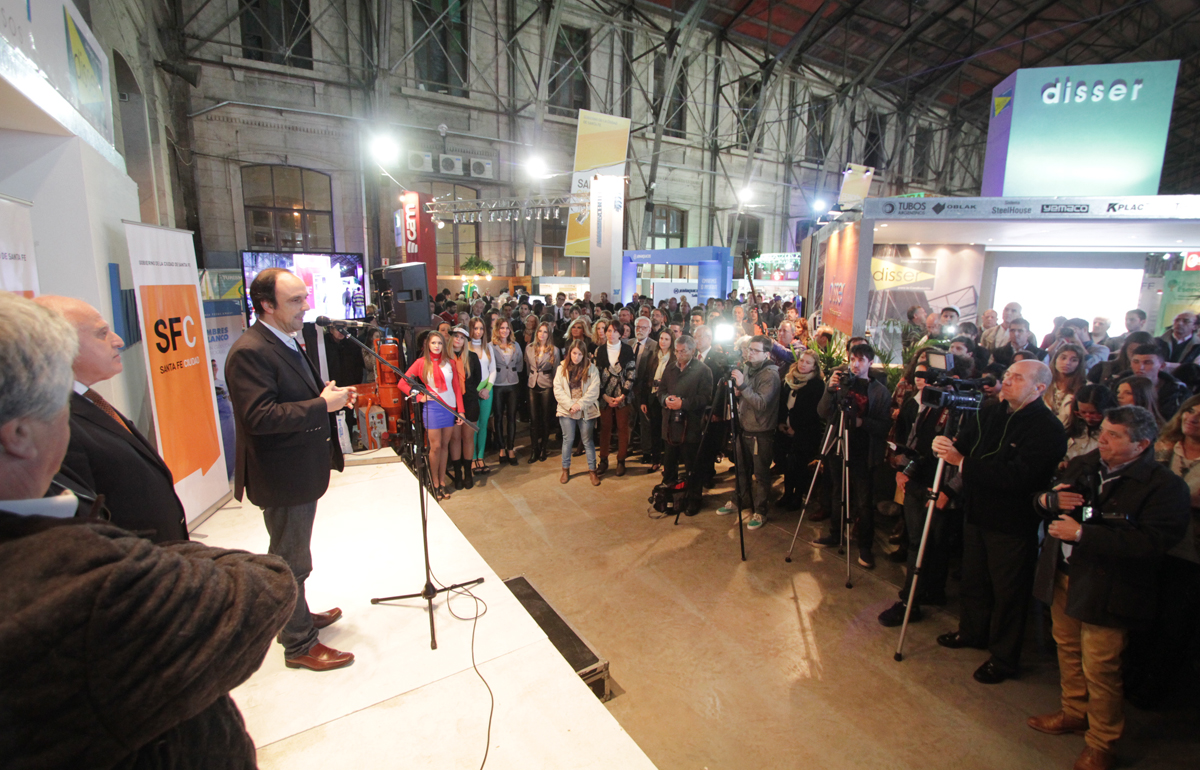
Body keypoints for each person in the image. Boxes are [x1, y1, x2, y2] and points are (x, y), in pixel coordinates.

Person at [0, 291, 299, 767]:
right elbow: (260, 589)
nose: (118, 339)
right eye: (100, 333)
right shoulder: (86, 578)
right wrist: (161, 554)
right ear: (18, 435)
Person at [1029, 406, 1189, 770]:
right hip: (1066, 570)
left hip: (1110, 585)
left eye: (1114, 435)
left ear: (1141, 444)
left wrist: (1085, 534)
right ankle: (1073, 710)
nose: (1102, 439)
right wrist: (1048, 501)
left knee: (1101, 665)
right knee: (1066, 648)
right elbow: (1048, 500)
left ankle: (1102, 742)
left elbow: (1151, 543)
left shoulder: (1163, 487)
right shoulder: (1087, 464)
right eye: (1103, 431)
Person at [224, 267, 355, 671]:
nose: (306, 306)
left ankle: (298, 616)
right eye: (296, 300)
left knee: (294, 553)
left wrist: (322, 396)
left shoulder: (283, 339)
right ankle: (298, 643)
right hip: (281, 474)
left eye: (305, 297)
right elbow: (259, 416)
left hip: (298, 467)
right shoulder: (250, 350)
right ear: (266, 305)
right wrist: (322, 405)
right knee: (288, 559)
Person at [931, 360, 1067, 684]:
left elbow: (1021, 477)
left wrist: (963, 463)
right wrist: (946, 445)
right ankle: (972, 631)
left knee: (1008, 591)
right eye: (1007, 375)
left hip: (1012, 520)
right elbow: (965, 443)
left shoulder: (1047, 429)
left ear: (1039, 388)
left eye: (1016, 378)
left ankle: (1004, 657)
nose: (1006, 381)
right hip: (977, 511)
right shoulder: (993, 411)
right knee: (974, 578)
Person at [34, 296, 188, 543]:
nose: (118, 341)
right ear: (57, 347)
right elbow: (87, 528)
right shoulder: (54, 422)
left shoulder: (88, 399)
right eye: (102, 333)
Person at [1126, 395, 1200, 707]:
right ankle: (1131, 676)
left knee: (1174, 622)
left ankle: (1156, 686)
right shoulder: (1162, 448)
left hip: (1190, 552)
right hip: (1150, 545)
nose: (1193, 417)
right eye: (1190, 410)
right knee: (1142, 615)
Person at [878, 360, 955, 626]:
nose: (930, 386)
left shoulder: (962, 412)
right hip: (918, 483)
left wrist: (949, 490)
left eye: (937, 381)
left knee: (932, 545)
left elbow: (964, 455)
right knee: (917, 542)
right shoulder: (928, 406)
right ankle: (912, 595)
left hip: (941, 488)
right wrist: (907, 469)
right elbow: (918, 444)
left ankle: (921, 596)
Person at [812, 344, 892, 567]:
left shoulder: (879, 391)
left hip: (863, 452)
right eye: (852, 359)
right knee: (839, 492)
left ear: (870, 363)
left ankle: (865, 547)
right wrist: (830, 389)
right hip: (838, 446)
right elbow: (822, 412)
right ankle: (835, 533)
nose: (855, 364)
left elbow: (884, 426)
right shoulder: (841, 383)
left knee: (863, 500)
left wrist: (861, 422)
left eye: (861, 360)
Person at [399, 330, 465, 500]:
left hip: (450, 407)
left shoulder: (450, 362)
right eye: (434, 343)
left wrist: (461, 410)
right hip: (433, 408)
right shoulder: (421, 363)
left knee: (444, 446)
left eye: (440, 343)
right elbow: (402, 383)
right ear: (428, 344)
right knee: (434, 447)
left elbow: (456, 388)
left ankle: (442, 481)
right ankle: (434, 482)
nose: (437, 346)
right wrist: (420, 397)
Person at [658, 334, 714, 515]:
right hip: (670, 426)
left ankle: (693, 498)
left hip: (690, 426)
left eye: (683, 351)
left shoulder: (703, 370)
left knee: (692, 466)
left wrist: (684, 404)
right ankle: (670, 496)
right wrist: (666, 400)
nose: (679, 354)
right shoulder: (670, 368)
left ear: (693, 350)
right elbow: (661, 391)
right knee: (669, 464)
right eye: (677, 351)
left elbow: (706, 398)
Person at [730, 335, 781, 530]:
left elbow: (761, 403)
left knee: (760, 474)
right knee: (741, 468)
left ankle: (760, 511)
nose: (749, 353)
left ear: (767, 354)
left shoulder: (770, 375)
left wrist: (742, 386)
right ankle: (740, 500)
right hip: (744, 427)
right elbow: (747, 395)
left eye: (755, 350)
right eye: (749, 349)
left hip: (761, 431)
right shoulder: (748, 368)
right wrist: (739, 392)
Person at [777, 349, 825, 511]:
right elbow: (782, 404)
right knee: (787, 465)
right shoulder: (789, 380)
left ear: (814, 367)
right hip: (785, 431)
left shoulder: (817, 385)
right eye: (802, 361)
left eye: (808, 362)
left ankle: (797, 496)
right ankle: (787, 493)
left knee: (800, 466)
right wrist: (781, 423)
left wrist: (796, 429)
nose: (803, 365)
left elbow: (813, 412)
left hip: (804, 434)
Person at [554, 339, 601, 485]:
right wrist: (570, 405)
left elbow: (594, 391)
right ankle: (565, 469)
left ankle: (592, 471)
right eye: (574, 353)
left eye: (580, 354)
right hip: (567, 409)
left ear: (584, 355)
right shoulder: (561, 368)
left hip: (585, 409)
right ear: (569, 353)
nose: (576, 357)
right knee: (568, 440)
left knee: (587, 440)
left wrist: (580, 404)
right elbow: (558, 389)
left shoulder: (592, 369)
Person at [595, 320, 637, 477]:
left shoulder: (627, 350)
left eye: (614, 331)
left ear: (621, 333)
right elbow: (596, 374)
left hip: (623, 396)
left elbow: (632, 373)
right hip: (604, 396)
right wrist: (604, 396)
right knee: (605, 428)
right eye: (608, 331)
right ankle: (603, 460)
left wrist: (622, 395)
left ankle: (621, 460)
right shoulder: (600, 350)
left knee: (622, 428)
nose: (611, 334)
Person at [448, 327, 482, 490]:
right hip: (451, 403)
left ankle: (468, 473)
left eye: (462, 338)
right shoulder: (445, 358)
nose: (458, 340)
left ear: (465, 341)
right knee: (455, 439)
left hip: (469, 401)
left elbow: (477, 379)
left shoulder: (473, 357)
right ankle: (457, 473)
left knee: (468, 438)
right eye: (456, 336)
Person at [639, 328, 677, 471]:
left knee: (668, 431)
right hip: (653, 397)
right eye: (661, 338)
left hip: (667, 398)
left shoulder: (674, 358)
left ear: (672, 341)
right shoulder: (653, 356)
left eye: (666, 339)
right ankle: (656, 460)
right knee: (654, 430)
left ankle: (669, 462)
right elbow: (645, 378)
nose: (663, 342)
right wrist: (643, 400)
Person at [526, 321, 560, 463]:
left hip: (547, 384)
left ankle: (544, 448)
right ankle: (535, 449)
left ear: (549, 334)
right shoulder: (529, 348)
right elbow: (527, 367)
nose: (542, 334)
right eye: (540, 331)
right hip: (532, 384)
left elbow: (556, 370)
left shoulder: (554, 350)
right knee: (534, 419)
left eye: (545, 331)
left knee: (545, 418)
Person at [1127, 342, 1189, 420]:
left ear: (1162, 366)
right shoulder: (1119, 385)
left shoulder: (1177, 392)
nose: (1140, 367)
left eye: (1147, 362)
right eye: (1136, 362)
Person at [491, 318, 523, 466]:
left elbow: (520, 364)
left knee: (511, 417)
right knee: (498, 417)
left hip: (513, 384)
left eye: (507, 328)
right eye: (502, 328)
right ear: (497, 330)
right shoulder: (490, 346)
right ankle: (501, 448)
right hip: (497, 384)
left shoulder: (515, 345)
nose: (505, 330)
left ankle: (510, 448)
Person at [467, 317, 496, 475]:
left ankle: (480, 457)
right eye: (475, 328)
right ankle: (471, 458)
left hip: (487, 391)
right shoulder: (465, 346)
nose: (478, 332)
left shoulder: (488, 347)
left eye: (481, 328)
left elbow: (493, 370)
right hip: (471, 392)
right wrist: (475, 389)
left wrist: (487, 388)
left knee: (483, 425)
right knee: (472, 426)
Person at [1063, 384, 1117, 465]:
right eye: (1083, 413)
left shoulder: (1114, 432)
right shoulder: (1076, 427)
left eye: (1093, 413)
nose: (1088, 419)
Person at [1045, 343, 1087, 424]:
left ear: (1079, 364)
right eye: (1063, 358)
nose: (1067, 363)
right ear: (1055, 359)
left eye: (1074, 360)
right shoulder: (1044, 383)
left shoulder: (1084, 387)